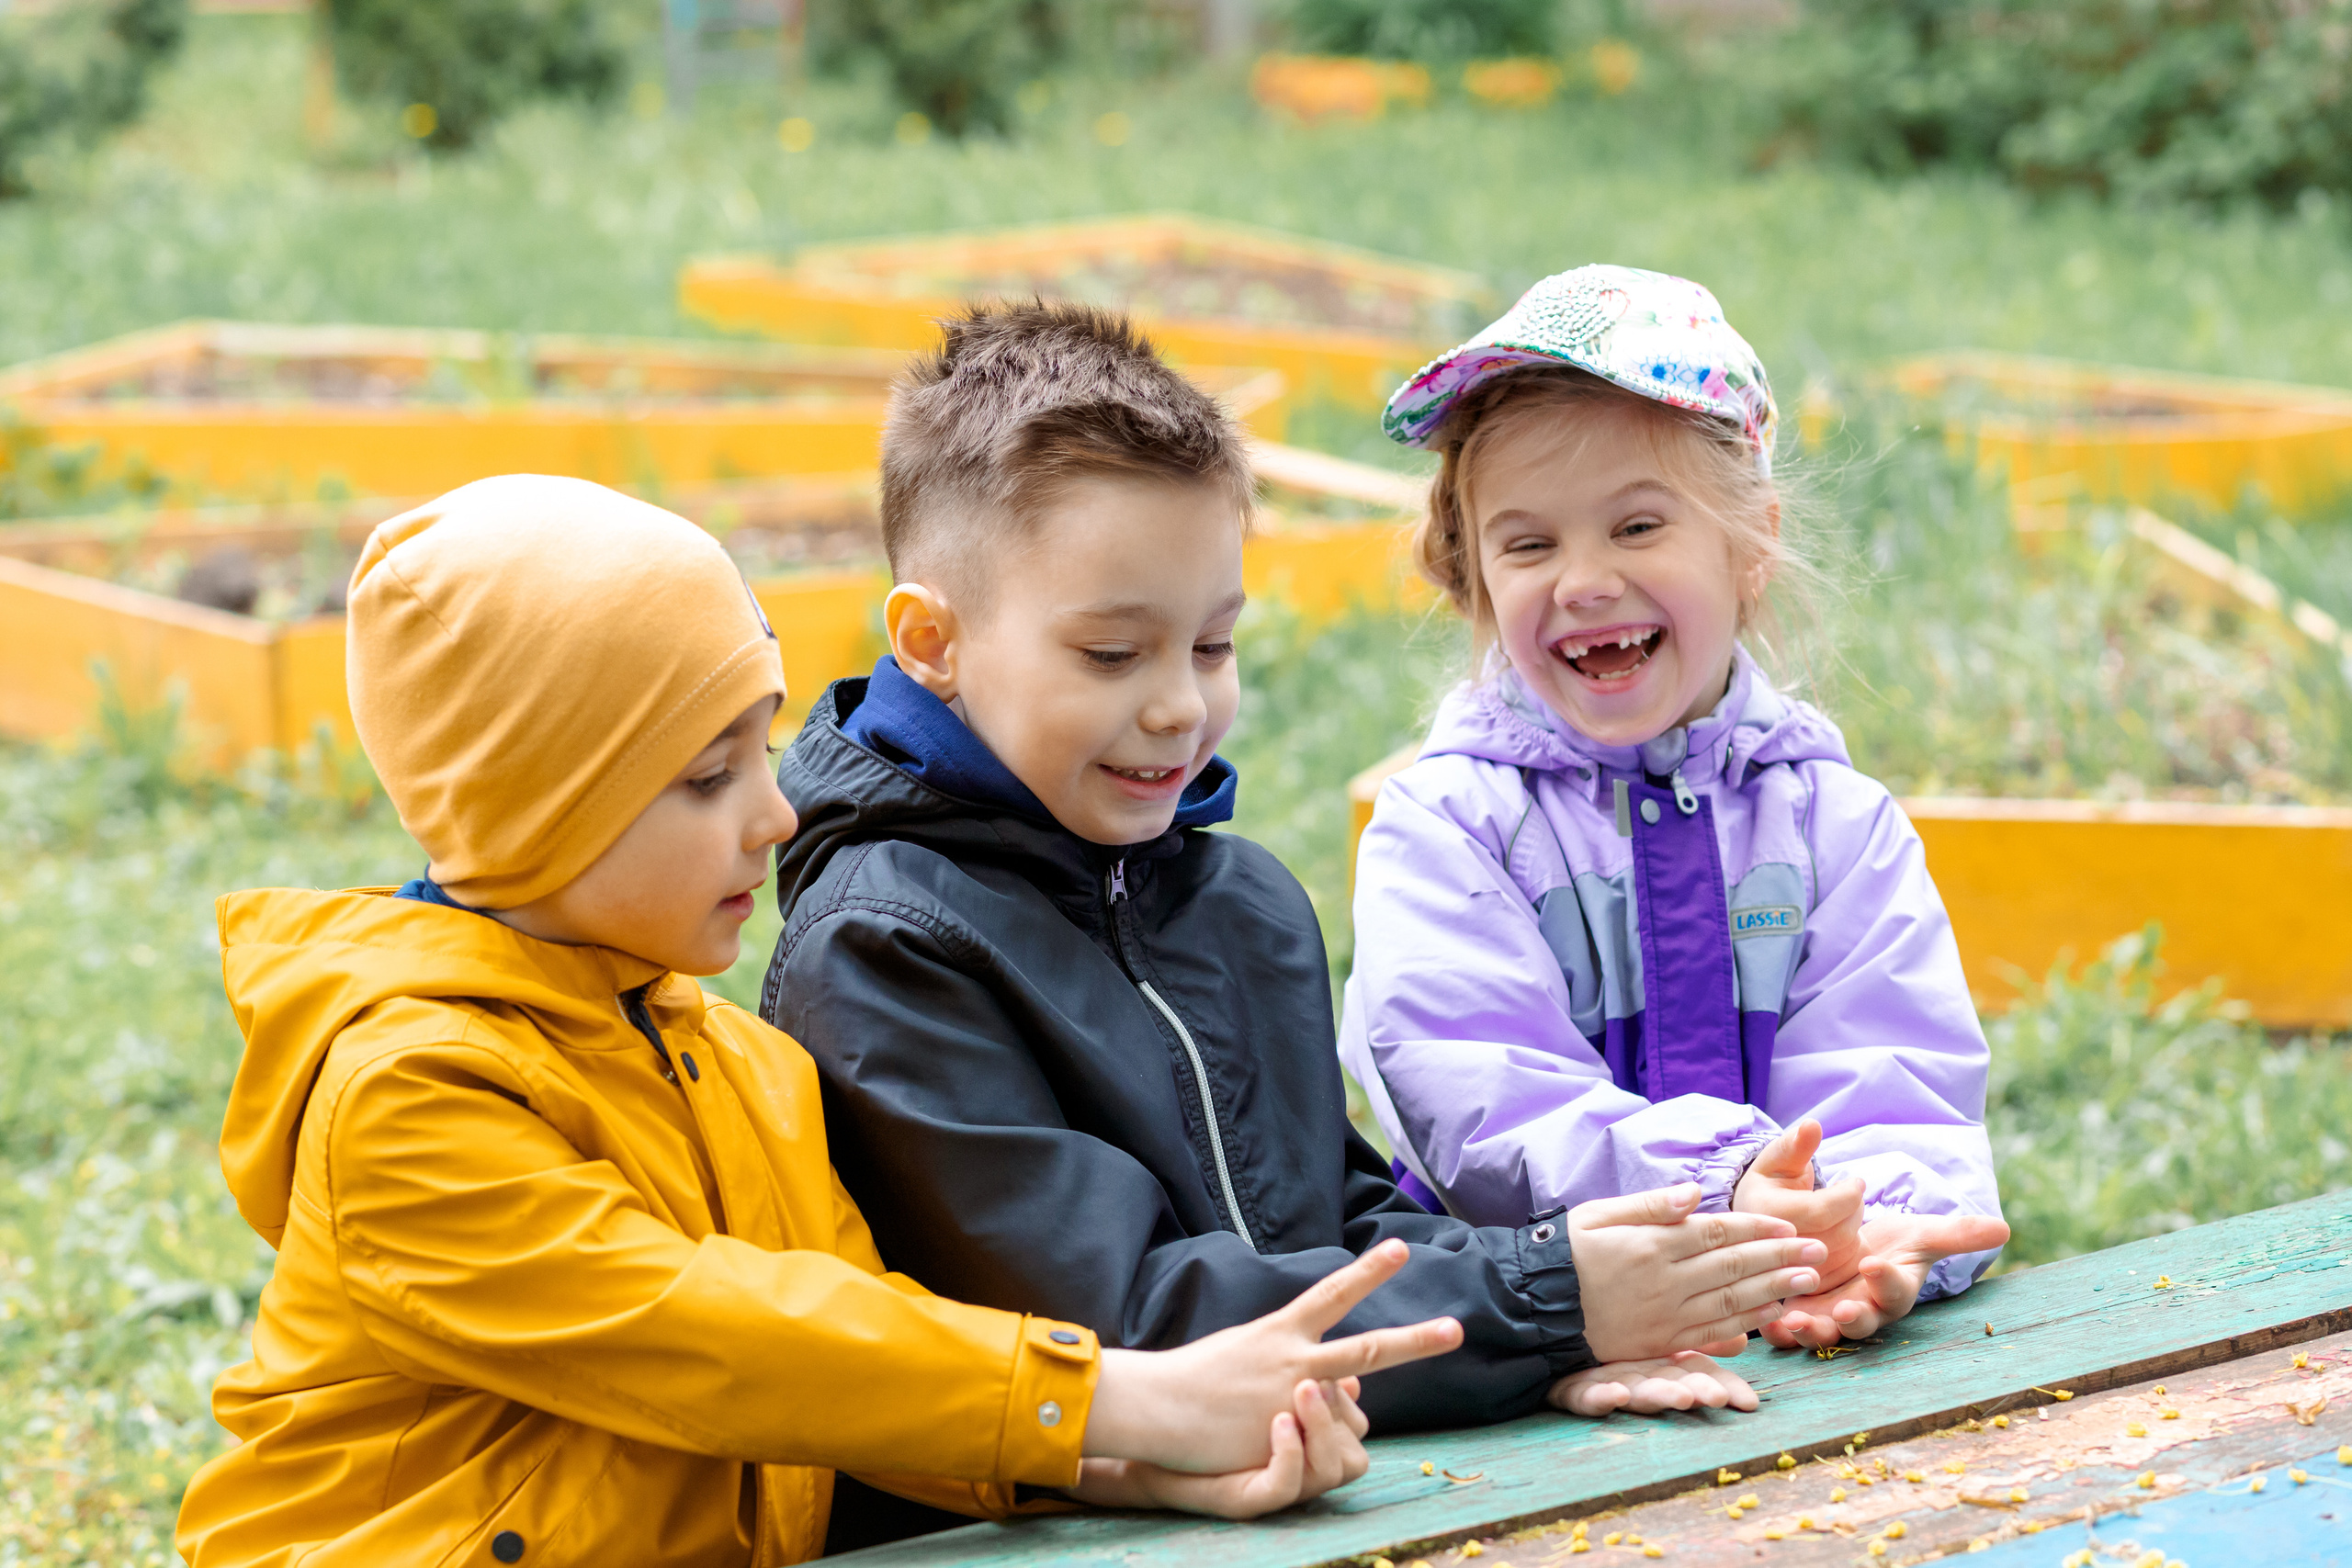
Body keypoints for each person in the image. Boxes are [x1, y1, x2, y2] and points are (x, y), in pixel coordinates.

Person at [175, 475, 1468, 1568]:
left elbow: (863, 1362)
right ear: (529, 807)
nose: (777, 814)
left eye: (762, 746)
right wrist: (1117, 1398)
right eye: (704, 777)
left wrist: (1119, 1464)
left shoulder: (731, 1058)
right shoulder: (405, 1098)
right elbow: (723, 1338)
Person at [760, 300, 1833, 1504]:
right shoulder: (886, 944)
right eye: (1114, 655)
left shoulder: (1239, 902)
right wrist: (1545, 1301)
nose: (1177, 706)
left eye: (1210, 646)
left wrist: (1547, 1344)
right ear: (933, 641)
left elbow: (1344, 1222)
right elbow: (1117, 1318)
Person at [1339, 265, 2011, 1353]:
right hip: (1538, 1348)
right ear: (1473, 577)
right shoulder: (1448, 825)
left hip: (1800, 1327)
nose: (1585, 580)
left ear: (1749, 550)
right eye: (1528, 544)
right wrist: (1726, 1193)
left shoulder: (1837, 826)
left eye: (1637, 526)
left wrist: (1861, 1231)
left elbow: (1897, 1081)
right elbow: (1479, 1097)